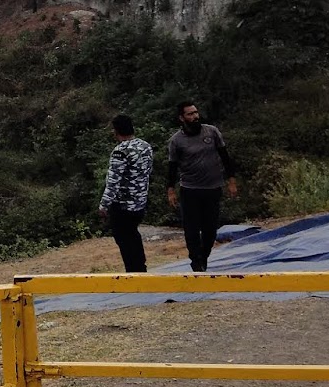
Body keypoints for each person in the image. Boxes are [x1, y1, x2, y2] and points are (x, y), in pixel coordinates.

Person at [166, 101, 237, 272]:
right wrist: (170, 190)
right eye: (190, 114)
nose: (195, 116)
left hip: (213, 188)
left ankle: (204, 255)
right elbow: (172, 167)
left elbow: (225, 157)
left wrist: (232, 181)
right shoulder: (176, 141)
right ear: (182, 118)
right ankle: (196, 261)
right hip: (190, 190)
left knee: (210, 229)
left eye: (196, 112)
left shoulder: (211, 132)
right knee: (191, 229)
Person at [99, 114, 153, 272]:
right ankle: (140, 267)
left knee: (123, 238)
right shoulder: (145, 146)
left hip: (123, 204)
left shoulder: (120, 151)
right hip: (140, 201)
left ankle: (133, 271)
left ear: (116, 131)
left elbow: (113, 181)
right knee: (133, 234)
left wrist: (104, 205)